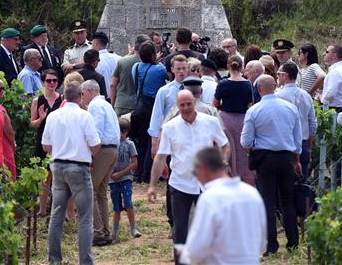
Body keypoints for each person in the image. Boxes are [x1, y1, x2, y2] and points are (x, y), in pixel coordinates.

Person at [147, 90, 230, 265]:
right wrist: (152, 185)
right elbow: (161, 157)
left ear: (195, 102)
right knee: (180, 229)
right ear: (177, 106)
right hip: (180, 183)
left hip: (207, 184)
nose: (186, 108)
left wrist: (222, 164)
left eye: (188, 104)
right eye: (182, 105)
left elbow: (225, 145)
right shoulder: (170, 127)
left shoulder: (211, 122)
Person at [241, 74, 303, 254]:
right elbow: (297, 139)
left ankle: (271, 245)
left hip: (265, 159)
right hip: (286, 158)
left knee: (267, 202)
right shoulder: (290, 108)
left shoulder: (254, 110)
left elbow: (246, 141)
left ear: (259, 89)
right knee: (288, 201)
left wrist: (253, 153)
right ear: (275, 86)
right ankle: (293, 242)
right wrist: (296, 160)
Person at [42, 81, 101, 265]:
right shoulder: (84, 116)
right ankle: (85, 261)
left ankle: (54, 260)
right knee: (84, 217)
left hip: (58, 167)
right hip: (78, 167)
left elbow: (45, 146)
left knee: (56, 216)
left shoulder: (53, 116)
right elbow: (95, 144)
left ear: (65, 96)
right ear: (81, 96)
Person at [179, 147, 267, 265]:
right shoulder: (252, 194)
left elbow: (197, 248)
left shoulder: (210, 198)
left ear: (202, 168)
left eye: (195, 173)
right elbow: (261, 243)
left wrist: (184, 254)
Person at [81, 80, 120, 246]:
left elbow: (95, 132)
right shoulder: (107, 105)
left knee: (89, 190)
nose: (82, 98)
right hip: (112, 150)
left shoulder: (95, 106)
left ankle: (98, 232)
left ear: (89, 91)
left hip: (102, 150)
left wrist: (90, 154)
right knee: (101, 192)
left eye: (82, 94)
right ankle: (104, 230)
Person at [213, 56, 256, 185]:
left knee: (228, 147)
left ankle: (230, 174)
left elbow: (214, 103)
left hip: (226, 119)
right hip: (243, 119)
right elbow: (250, 104)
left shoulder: (223, 83)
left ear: (228, 66)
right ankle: (245, 176)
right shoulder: (247, 84)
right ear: (242, 67)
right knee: (242, 149)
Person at [130, 42, 168, 182]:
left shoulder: (135, 67)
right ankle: (147, 173)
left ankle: (137, 173)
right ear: (153, 54)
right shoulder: (159, 69)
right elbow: (166, 77)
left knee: (140, 141)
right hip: (151, 106)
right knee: (150, 140)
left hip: (138, 106)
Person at [276, 62, 317, 179]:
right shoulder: (306, 95)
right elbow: (312, 122)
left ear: (285, 75)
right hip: (303, 142)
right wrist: (309, 142)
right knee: (301, 182)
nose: (277, 76)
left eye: (279, 74)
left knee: (285, 183)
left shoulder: (278, 96)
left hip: (286, 145)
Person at [31, 68, 63, 216]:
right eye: (48, 80)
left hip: (59, 142)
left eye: (54, 80)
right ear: (43, 82)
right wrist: (41, 118)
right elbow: (33, 124)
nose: (51, 83)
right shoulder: (37, 100)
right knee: (44, 178)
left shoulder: (62, 99)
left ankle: (58, 210)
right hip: (42, 142)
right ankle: (43, 210)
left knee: (59, 178)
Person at [148, 55, 189, 154]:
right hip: (171, 135)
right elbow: (156, 115)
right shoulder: (164, 91)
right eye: (178, 69)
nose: (181, 71)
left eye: (184, 68)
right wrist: (154, 140)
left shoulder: (194, 89)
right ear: (172, 70)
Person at [109, 118, 142, 241]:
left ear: (126, 132)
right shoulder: (112, 145)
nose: (120, 135)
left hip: (125, 178)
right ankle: (114, 232)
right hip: (113, 180)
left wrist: (121, 173)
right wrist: (112, 173)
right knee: (116, 207)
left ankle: (133, 228)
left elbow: (134, 163)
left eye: (122, 132)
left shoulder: (130, 144)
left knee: (128, 203)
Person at [110, 34, 150, 116]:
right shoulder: (149, 64)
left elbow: (112, 84)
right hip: (140, 105)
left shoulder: (122, 61)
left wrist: (112, 104)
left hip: (121, 104)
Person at [321, 44, 342, 111]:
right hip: (336, 107)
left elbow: (331, 93)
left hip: (334, 109)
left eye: (327, 52)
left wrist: (321, 99)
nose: (323, 54)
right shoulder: (338, 69)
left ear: (334, 56)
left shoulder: (336, 71)